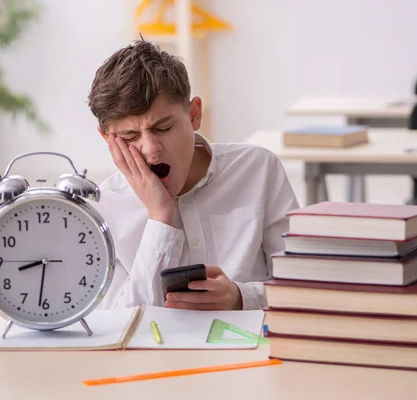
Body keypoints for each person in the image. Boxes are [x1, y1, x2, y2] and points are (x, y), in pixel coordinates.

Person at [87, 37, 299, 311]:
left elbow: (303, 287)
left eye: (163, 128)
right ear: (107, 140)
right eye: (130, 136)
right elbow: (121, 322)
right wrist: (161, 217)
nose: (151, 150)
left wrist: (241, 297)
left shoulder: (258, 169)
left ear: (194, 114)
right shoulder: (105, 208)